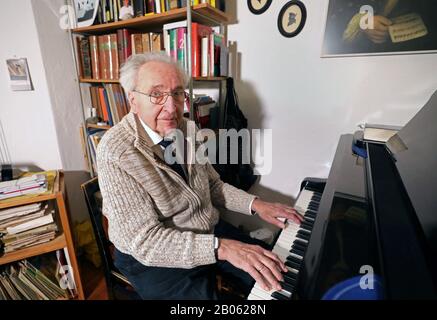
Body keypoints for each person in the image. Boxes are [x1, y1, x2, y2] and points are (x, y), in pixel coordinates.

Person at [96, 52, 303, 300]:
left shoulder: (186, 128)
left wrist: (256, 205)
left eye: (177, 93)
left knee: (280, 273)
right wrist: (222, 248)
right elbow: (146, 242)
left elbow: (212, 185)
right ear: (133, 100)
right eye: (157, 94)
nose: (172, 107)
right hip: (153, 257)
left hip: (206, 230)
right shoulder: (115, 150)